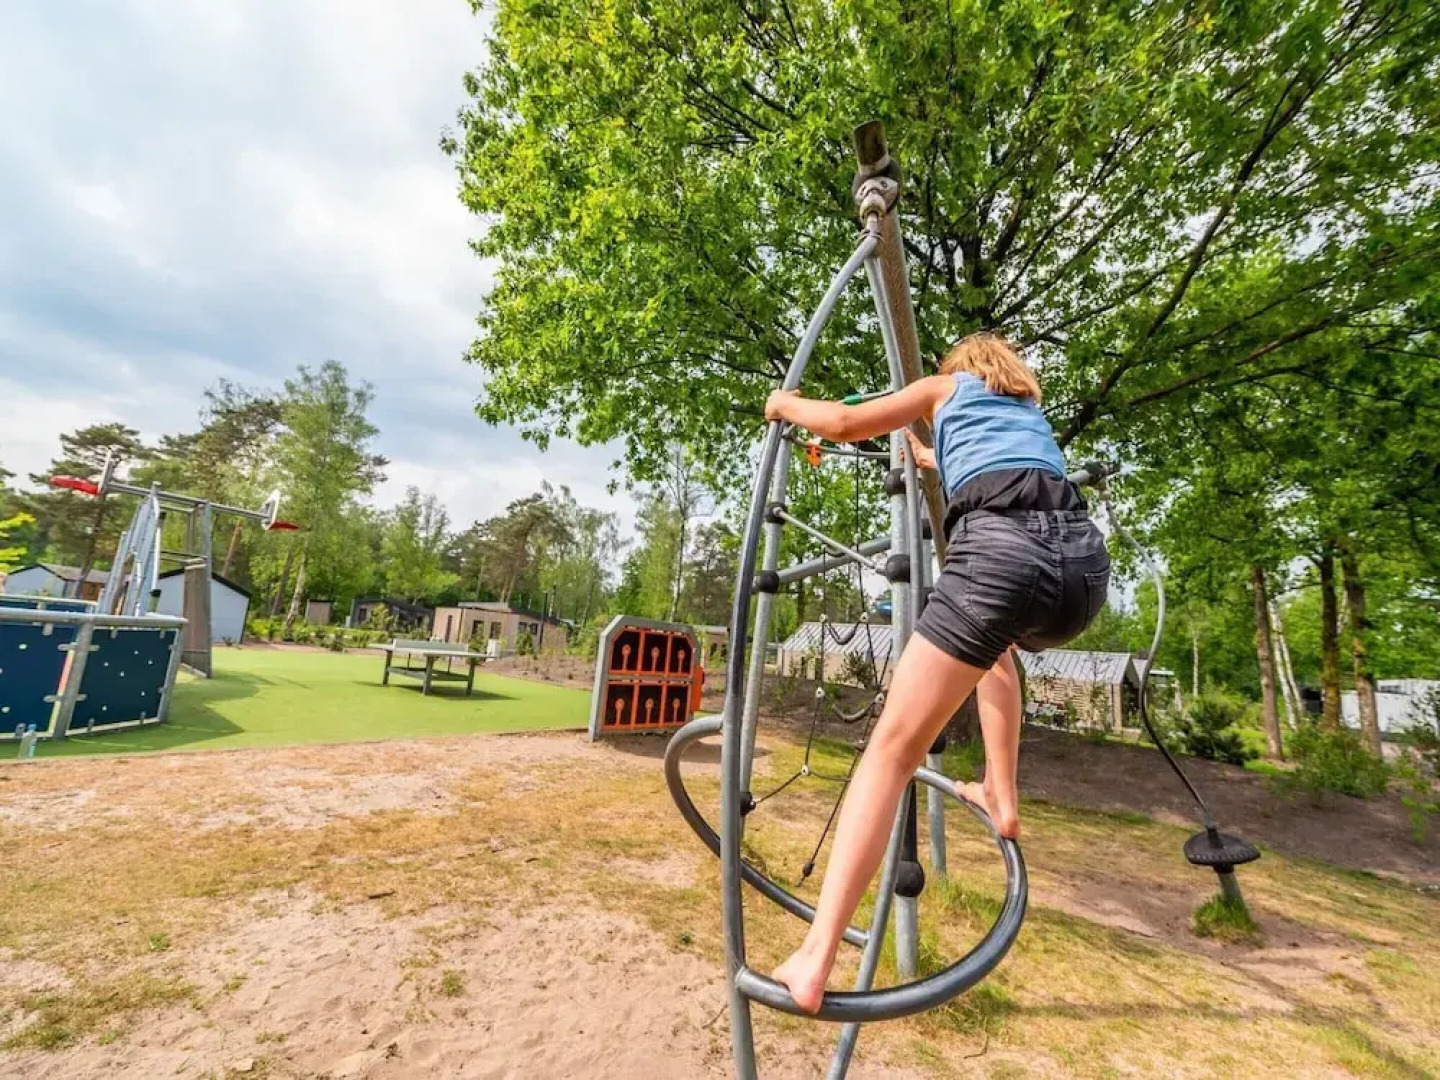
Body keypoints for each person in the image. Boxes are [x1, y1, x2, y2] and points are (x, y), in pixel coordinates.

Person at [763, 331, 1110, 1014]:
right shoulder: (1027, 417)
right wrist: (926, 454)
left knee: (892, 751)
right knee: (997, 652)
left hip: (1002, 560)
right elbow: (969, 462)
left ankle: (815, 956)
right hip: (1082, 570)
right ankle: (1002, 796)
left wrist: (786, 403)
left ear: (958, 372)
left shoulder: (944, 388)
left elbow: (840, 422)